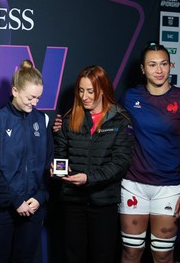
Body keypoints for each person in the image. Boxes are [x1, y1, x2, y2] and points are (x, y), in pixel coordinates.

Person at [53, 65, 134, 263]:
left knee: (103, 255)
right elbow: (60, 153)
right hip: (73, 200)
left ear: (103, 89)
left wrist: (89, 178)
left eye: (90, 91)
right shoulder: (68, 118)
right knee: (74, 255)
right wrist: (57, 169)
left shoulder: (120, 120)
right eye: (81, 90)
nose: (84, 96)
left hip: (103, 201)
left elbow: (120, 163)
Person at [0, 59, 54, 263]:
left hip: (33, 207)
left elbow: (49, 165)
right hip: (2, 208)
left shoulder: (43, 120)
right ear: (15, 91)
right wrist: (14, 201)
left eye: (38, 98)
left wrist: (40, 197)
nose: (35, 103)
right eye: (31, 97)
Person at [119, 42, 180, 263]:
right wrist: (64, 123)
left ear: (170, 65)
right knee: (132, 252)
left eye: (163, 64)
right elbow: (104, 123)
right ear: (143, 69)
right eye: (152, 65)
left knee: (163, 255)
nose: (159, 70)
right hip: (133, 184)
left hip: (169, 187)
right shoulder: (130, 96)